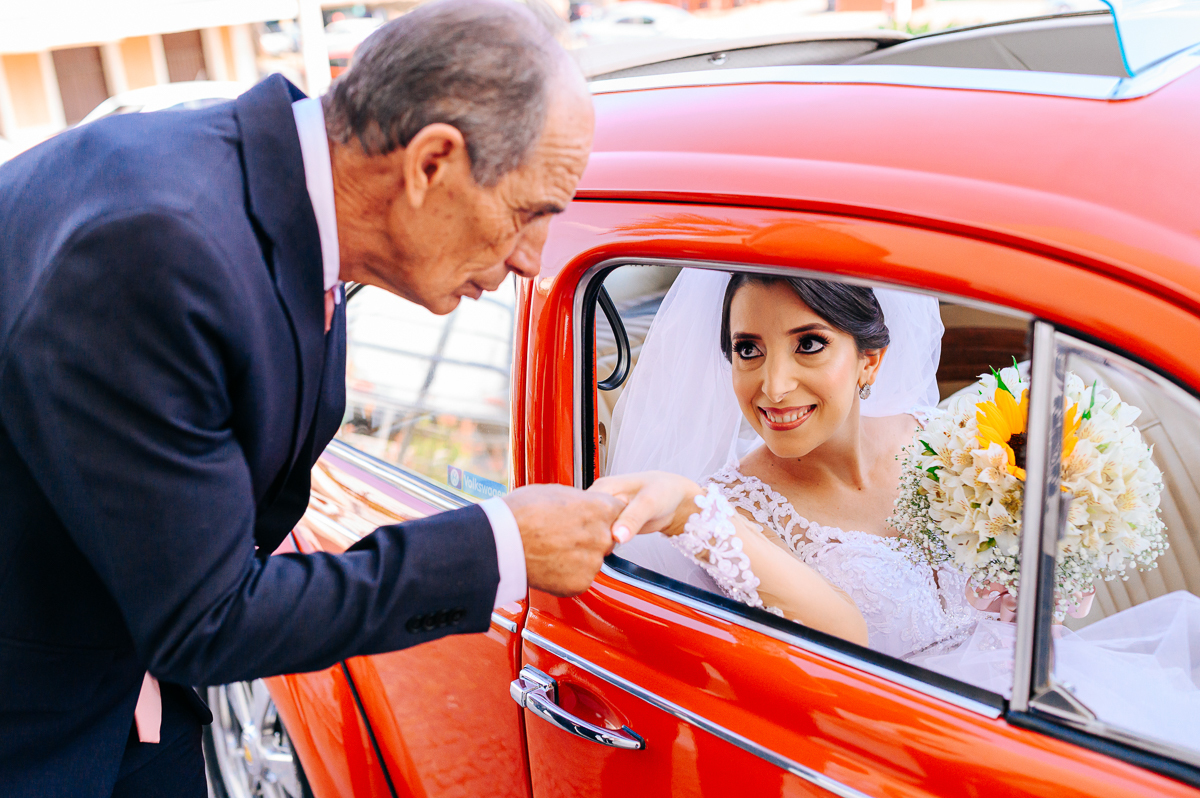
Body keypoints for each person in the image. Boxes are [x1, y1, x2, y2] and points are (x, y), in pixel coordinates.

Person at [0, 2, 629, 796]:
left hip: (130, 691)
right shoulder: (157, 247)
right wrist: (501, 547)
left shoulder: (270, 200)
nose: (532, 261)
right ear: (431, 162)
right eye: (528, 212)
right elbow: (210, 616)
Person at [591, 268, 1200, 748]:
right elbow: (843, 638)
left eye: (808, 345)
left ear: (869, 360)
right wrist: (691, 508)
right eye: (748, 350)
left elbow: (1030, 574)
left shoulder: (951, 440)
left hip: (1043, 692)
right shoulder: (733, 511)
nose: (772, 386)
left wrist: (1045, 577)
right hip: (905, 741)